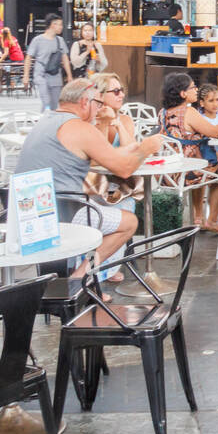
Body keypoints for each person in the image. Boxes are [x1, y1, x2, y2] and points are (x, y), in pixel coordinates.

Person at [15, 78, 162, 281]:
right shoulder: (79, 127)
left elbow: (103, 155)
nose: (98, 110)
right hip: (61, 212)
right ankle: (82, 277)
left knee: (102, 209)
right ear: (85, 102)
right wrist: (145, 149)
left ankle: (84, 275)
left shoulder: (47, 121)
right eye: (98, 104)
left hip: (25, 211)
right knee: (128, 222)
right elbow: (124, 169)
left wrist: (131, 146)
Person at [84, 72, 142, 281]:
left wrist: (116, 122)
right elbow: (97, 156)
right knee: (100, 221)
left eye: (122, 90)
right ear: (100, 95)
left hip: (118, 189)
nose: (121, 95)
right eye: (115, 91)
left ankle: (106, 270)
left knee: (127, 210)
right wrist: (105, 123)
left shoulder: (125, 119)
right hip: (92, 189)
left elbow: (131, 151)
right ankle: (93, 274)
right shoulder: (90, 121)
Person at [159, 71, 218, 232]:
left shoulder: (162, 112)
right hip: (188, 172)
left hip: (168, 173)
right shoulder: (188, 112)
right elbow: (215, 132)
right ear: (183, 93)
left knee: (204, 167)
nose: (196, 90)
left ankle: (198, 216)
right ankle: (211, 220)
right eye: (193, 87)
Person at [23, 14, 72, 111]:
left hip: (55, 75)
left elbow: (65, 58)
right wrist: (26, 76)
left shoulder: (60, 40)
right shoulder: (38, 40)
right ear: (52, 25)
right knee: (46, 101)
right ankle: (46, 118)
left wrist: (69, 75)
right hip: (41, 74)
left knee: (55, 103)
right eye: (59, 24)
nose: (61, 27)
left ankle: (47, 119)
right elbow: (28, 57)